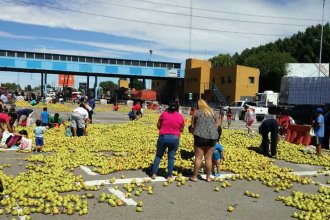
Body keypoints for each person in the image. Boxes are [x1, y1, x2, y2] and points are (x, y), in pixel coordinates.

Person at [151, 102, 184, 179]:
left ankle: (154, 174)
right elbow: (181, 129)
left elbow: (158, 125)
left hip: (163, 137)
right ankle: (169, 175)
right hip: (175, 138)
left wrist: (163, 130)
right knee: (171, 157)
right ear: (177, 109)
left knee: (158, 156)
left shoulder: (164, 114)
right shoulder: (180, 116)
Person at [190, 99, 219, 182]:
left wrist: (194, 130)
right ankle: (208, 177)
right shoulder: (212, 112)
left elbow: (192, 126)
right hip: (212, 137)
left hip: (200, 136)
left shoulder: (196, 112)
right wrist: (213, 130)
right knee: (208, 158)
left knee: (198, 158)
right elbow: (217, 123)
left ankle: (194, 177)